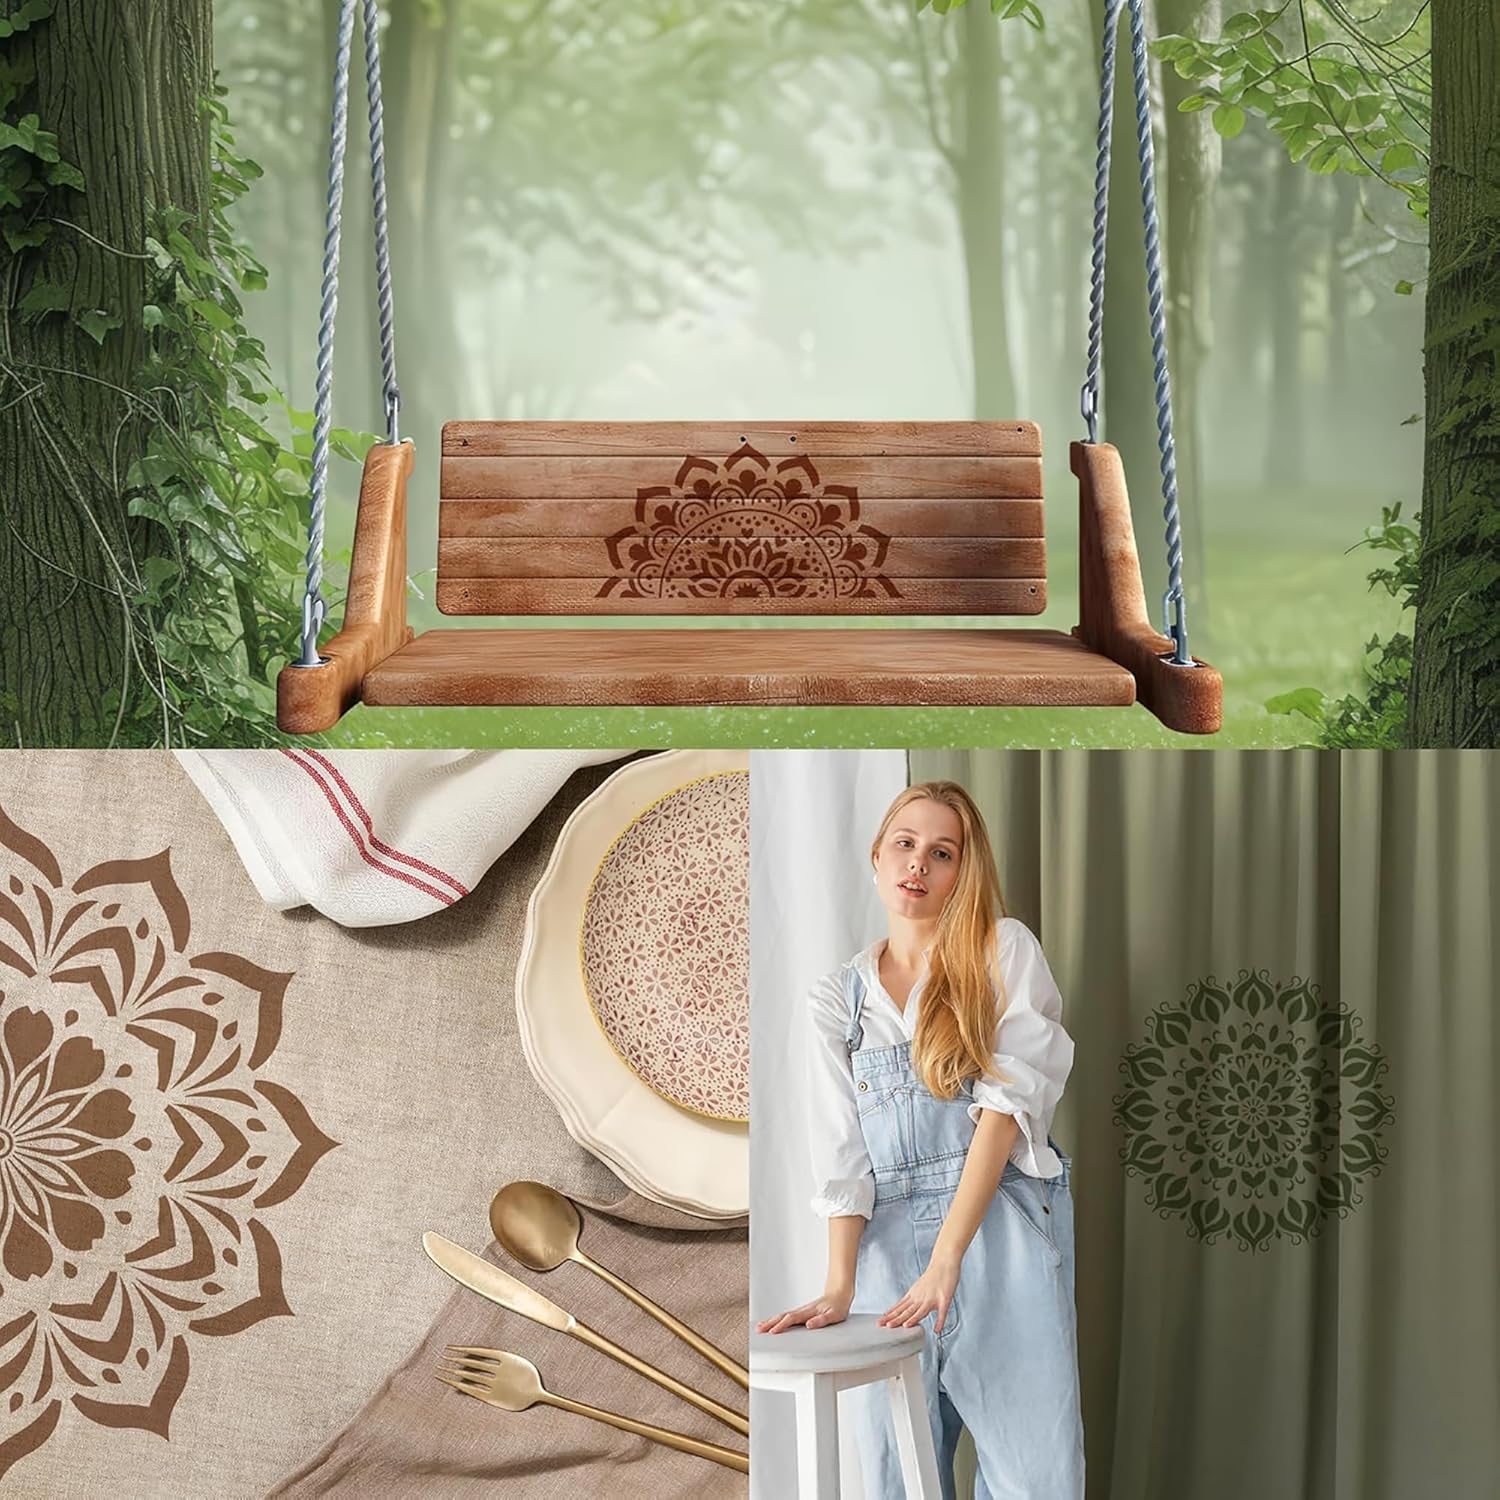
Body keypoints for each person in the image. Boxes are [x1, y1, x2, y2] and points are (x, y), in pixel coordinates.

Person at [757, 780, 1085, 1499]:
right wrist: (840, 1285)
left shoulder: (1002, 954)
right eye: (905, 844)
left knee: (1036, 1482)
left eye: (942, 853)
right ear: (877, 856)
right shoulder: (835, 1000)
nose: (918, 863)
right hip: (885, 1253)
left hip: (999, 1233)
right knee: (893, 1483)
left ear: (963, 872)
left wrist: (946, 1258)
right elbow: (842, 1154)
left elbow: (1002, 1114)